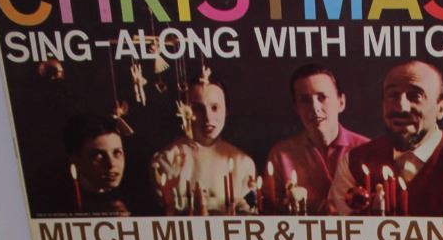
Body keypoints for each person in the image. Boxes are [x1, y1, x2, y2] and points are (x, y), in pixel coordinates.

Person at [327, 59, 443, 215]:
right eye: (393, 95)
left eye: (415, 96)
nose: (401, 107)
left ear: (440, 108)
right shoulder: (354, 163)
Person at [265, 64, 368, 214]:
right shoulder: (280, 155)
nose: (315, 107)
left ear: (341, 102)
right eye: (305, 100)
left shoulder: (366, 149)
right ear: (297, 108)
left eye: (322, 97)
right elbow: (270, 212)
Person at [151, 71, 255, 213]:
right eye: (198, 109)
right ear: (185, 111)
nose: (208, 117)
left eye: (215, 107)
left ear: (226, 110)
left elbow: (249, 210)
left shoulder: (243, 163)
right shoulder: (166, 159)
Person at [63, 114, 131, 214]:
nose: (111, 164)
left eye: (117, 153)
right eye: (99, 155)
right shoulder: (62, 200)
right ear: (76, 159)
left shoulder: (135, 194)